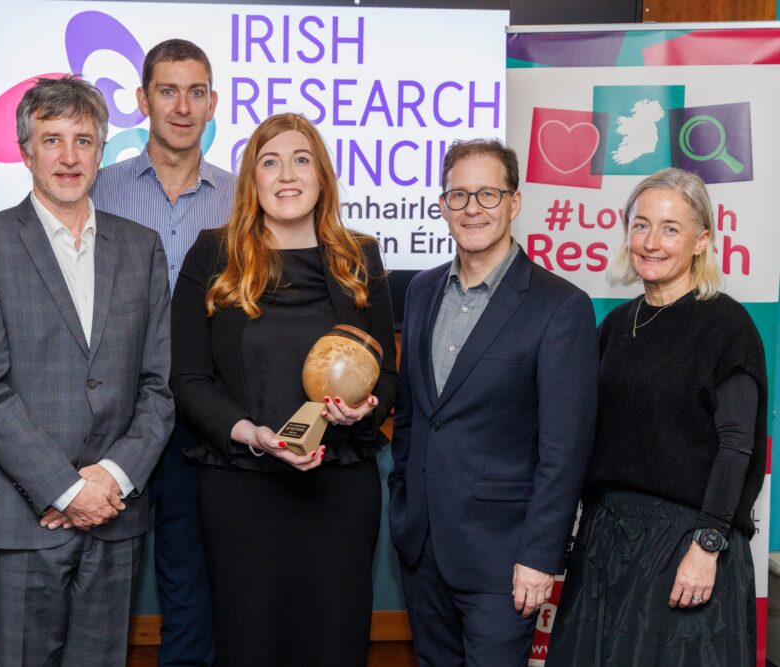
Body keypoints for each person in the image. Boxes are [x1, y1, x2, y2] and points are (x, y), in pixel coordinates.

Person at [0, 75, 174, 666]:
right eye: (52, 140)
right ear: (26, 151)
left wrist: (108, 481)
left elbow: (159, 386)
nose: (68, 157)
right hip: (24, 523)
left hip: (115, 516)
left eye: (83, 140)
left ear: (103, 151)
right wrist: (68, 490)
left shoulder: (141, 246)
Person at [170, 112, 398, 667]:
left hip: (340, 491)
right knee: (248, 646)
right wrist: (250, 433)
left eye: (301, 160)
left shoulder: (359, 258)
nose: (286, 175)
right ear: (252, 180)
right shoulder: (213, 255)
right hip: (241, 490)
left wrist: (364, 409)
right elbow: (188, 379)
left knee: (334, 644)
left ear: (322, 175)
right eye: (269, 162)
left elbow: (387, 377)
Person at [388, 138, 599, 666]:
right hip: (423, 548)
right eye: (459, 196)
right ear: (442, 207)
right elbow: (415, 417)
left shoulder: (561, 307)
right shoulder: (420, 291)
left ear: (514, 201)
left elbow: (564, 450)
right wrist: (404, 503)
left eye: (487, 193)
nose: (472, 209)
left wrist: (538, 556)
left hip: (505, 561)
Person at [546, 168, 767, 666]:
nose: (651, 241)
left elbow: (737, 445)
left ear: (701, 240)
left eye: (670, 228)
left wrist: (706, 546)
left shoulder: (727, 325)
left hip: (683, 543)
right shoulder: (615, 326)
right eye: (641, 225)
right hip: (606, 539)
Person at [92, 38, 234, 667]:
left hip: (202, 425)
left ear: (213, 104)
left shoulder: (243, 201)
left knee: (191, 590)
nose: (182, 106)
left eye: (195, 92)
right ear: (142, 99)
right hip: (108, 423)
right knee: (95, 587)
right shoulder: (96, 191)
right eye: (168, 91)